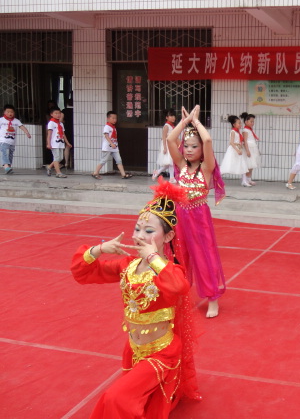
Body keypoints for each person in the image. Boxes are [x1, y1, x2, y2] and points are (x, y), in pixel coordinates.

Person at [70, 178, 200, 418]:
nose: (140, 235)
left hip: (161, 352)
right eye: (137, 229)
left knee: (116, 398)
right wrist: (100, 249)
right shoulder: (127, 266)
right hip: (133, 349)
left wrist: (152, 257)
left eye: (149, 231)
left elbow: (179, 286)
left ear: (168, 236)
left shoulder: (170, 270)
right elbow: (82, 273)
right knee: (130, 400)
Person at [168, 105, 226, 318]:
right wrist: (184, 123)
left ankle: (212, 298)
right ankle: (179, 294)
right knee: (179, 257)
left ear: (202, 149)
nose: (189, 150)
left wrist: (196, 121)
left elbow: (208, 140)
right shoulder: (181, 165)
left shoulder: (206, 168)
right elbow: (170, 140)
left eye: (194, 146)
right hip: (180, 218)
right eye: (186, 146)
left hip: (199, 218)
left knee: (204, 257)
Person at [92, 111, 133, 180]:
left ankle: (123, 174)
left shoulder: (113, 127)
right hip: (108, 147)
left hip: (114, 147)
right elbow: (106, 135)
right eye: (113, 118)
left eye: (115, 118)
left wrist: (114, 144)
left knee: (119, 160)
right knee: (103, 160)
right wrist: (111, 143)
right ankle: (95, 173)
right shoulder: (107, 127)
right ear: (108, 118)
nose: (115, 120)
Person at [0, 104, 31, 174]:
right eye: (8, 112)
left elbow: (21, 126)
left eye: (11, 112)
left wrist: (27, 133)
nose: (10, 113)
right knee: (4, 153)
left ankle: (9, 167)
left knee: (10, 154)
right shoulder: (1, 120)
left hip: (12, 141)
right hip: (3, 141)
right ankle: (6, 166)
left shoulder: (16, 121)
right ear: (4, 112)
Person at [219, 115, 249, 186]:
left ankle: (244, 181)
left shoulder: (238, 132)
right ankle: (217, 178)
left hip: (238, 148)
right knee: (228, 165)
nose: (240, 124)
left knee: (243, 164)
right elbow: (231, 142)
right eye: (239, 123)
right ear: (234, 124)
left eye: (240, 123)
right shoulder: (233, 131)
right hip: (234, 150)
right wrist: (237, 150)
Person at [45, 106, 72, 178]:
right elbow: (49, 134)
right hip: (54, 143)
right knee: (56, 158)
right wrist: (48, 143)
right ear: (51, 114)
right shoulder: (51, 123)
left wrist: (67, 143)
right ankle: (58, 173)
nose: (58, 115)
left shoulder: (60, 124)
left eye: (59, 113)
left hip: (60, 143)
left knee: (60, 158)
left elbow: (63, 134)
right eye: (56, 113)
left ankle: (49, 167)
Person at [152, 109, 177, 183]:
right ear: (167, 117)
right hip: (167, 145)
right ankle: (171, 178)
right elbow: (163, 137)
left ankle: (158, 172)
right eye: (171, 116)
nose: (173, 117)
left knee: (170, 162)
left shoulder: (171, 125)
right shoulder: (166, 126)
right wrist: (165, 147)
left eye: (174, 116)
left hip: (171, 144)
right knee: (170, 162)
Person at [241, 112, 261, 186]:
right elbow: (245, 141)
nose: (252, 123)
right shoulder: (245, 130)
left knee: (251, 165)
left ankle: (249, 179)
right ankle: (244, 180)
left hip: (253, 148)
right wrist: (247, 151)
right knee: (248, 165)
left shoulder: (250, 130)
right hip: (249, 148)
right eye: (251, 121)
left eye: (253, 122)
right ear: (246, 122)